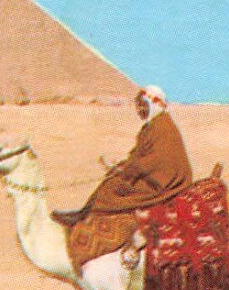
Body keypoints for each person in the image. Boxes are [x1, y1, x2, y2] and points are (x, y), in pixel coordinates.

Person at [53, 85, 192, 227]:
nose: (140, 110)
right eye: (139, 106)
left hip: (163, 184)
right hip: (154, 176)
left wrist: (128, 170)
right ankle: (83, 213)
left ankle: (84, 217)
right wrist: (124, 165)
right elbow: (140, 154)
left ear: (154, 105)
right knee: (112, 180)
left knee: (113, 187)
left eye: (144, 106)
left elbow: (155, 161)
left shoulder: (163, 128)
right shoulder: (153, 126)